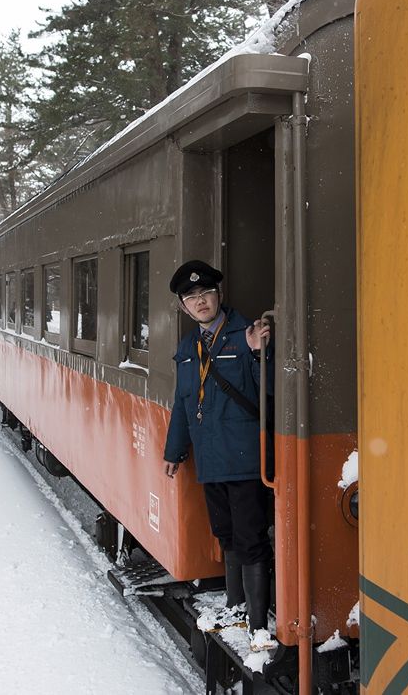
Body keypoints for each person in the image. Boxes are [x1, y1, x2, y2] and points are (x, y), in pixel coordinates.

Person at [163, 259, 276, 650]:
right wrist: (175, 450)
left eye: (206, 292)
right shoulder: (188, 348)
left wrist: (259, 354)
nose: (200, 301)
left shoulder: (247, 335)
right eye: (191, 297)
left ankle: (258, 625)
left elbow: (270, 394)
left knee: (250, 539)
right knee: (226, 535)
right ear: (184, 307)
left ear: (219, 295)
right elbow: (183, 403)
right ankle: (236, 607)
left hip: (245, 460)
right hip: (210, 460)